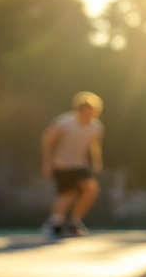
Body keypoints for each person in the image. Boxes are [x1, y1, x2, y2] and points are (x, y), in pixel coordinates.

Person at [40, 91, 104, 238]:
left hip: (79, 164)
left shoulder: (96, 126)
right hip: (62, 164)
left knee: (91, 190)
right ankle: (54, 223)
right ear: (79, 108)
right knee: (67, 194)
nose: (89, 112)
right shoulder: (64, 122)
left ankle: (73, 222)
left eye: (92, 109)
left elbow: (94, 145)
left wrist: (96, 160)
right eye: (85, 108)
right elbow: (48, 141)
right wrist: (47, 162)